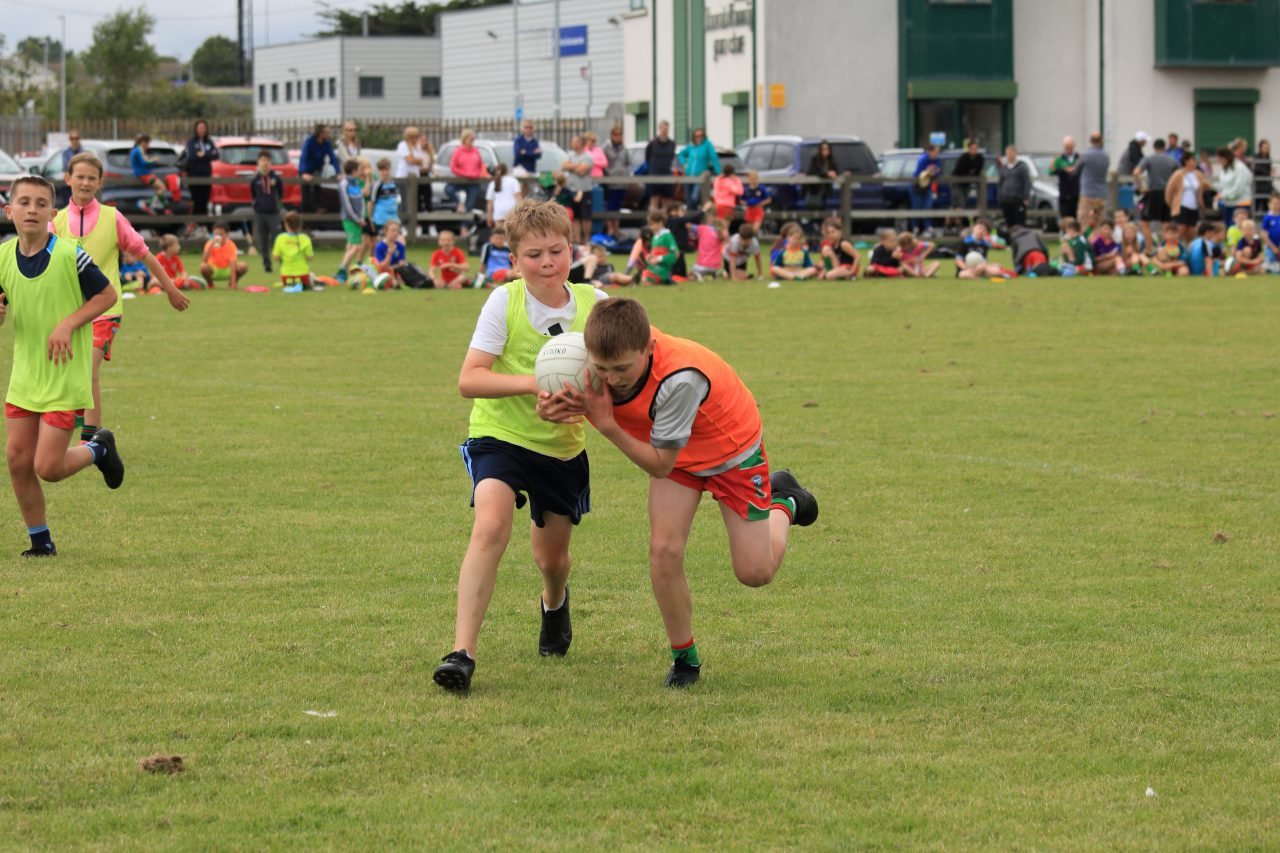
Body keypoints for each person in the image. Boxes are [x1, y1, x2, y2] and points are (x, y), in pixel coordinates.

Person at [540, 297, 817, 687]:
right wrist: (554, 406)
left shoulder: (681, 378)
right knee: (664, 550)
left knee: (755, 573)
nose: (611, 377)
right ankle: (684, 659)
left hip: (730, 449)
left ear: (648, 348)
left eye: (622, 369)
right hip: (677, 455)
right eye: (602, 368)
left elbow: (658, 464)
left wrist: (604, 422)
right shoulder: (592, 357)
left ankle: (784, 501)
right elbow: (569, 389)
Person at [430, 200, 607, 694]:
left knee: (552, 559)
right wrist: (536, 385)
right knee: (490, 526)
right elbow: (469, 379)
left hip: (561, 447)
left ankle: (554, 602)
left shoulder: (597, 304)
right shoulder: (503, 302)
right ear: (513, 259)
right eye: (533, 254)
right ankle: (462, 653)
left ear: (572, 248)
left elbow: (624, 377)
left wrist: (583, 403)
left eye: (556, 250)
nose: (547, 262)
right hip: (499, 436)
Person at [0, 175, 126, 558]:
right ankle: (41, 543)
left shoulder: (71, 255)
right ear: (10, 211)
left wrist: (69, 323)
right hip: (25, 374)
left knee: (49, 468)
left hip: (63, 373)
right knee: (18, 460)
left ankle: (98, 450)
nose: (32, 209)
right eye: (23, 202)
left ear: (52, 213)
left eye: (40, 203)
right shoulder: (2, 256)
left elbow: (107, 294)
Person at [53, 152, 189, 446]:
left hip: (105, 310)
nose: (86, 183)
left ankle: (91, 442)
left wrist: (170, 289)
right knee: (68, 374)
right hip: (69, 314)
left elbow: (145, 254)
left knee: (88, 369)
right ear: (68, 179)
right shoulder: (57, 222)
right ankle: (80, 421)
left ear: (100, 183)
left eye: (92, 178)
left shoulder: (112, 218)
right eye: (80, 177)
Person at [1133, 138, 1178, 247]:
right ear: (1164, 147)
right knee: (1166, 224)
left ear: (1154, 147)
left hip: (1153, 193)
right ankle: (1165, 248)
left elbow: (1136, 172)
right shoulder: (1172, 160)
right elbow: (1179, 175)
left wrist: (1142, 187)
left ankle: (1149, 248)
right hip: (1168, 194)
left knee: (1145, 222)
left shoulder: (1149, 159)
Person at [337, 158, 372, 283]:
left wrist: (361, 217)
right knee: (357, 246)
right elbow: (347, 204)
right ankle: (341, 271)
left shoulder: (355, 183)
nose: (360, 171)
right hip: (350, 219)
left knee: (352, 245)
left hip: (357, 220)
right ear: (353, 171)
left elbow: (361, 199)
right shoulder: (344, 183)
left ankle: (344, 270)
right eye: (358, 169)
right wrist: (357, 219)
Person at [249, 150, 284, 273]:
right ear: (258, 162)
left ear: (271, 163)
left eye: (268, 161)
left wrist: (276, 205)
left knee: (277, 239)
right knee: (263, 240)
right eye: (263, 160)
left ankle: (283, 263)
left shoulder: (276, 178)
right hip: (260, 213)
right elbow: (253, 194)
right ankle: (267, 265)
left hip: (273, 213)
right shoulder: (255, 179)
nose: (265, 163)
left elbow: (281, 193)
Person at [394, 126, 435, 223]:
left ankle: (412, 224)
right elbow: (410, 160)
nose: (417, 138)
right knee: (406, 201)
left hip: (415, 178)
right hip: (404, 177)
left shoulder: (417, 147)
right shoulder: (403, 145)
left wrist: (416, 161)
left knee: (414, 202)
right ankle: (403, 222)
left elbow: (423, 161)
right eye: (416, 136)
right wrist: (416, 161)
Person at [182, 119, 219, 226]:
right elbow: (192, 156)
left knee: (204, 201)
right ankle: (195, 225)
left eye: (204, 128)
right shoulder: (192, 142)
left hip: (206, 175)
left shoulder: (209, 141)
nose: (202, 130)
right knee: (196, 201)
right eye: (200, 128)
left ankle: (204, 225)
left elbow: (215, 155)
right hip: (194, 175)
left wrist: (204, 154)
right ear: (196, 129)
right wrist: (206, 155)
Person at [447, 129, 490, 218]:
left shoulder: (475, 151)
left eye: (473, 139)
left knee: (469, 206)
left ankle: (464, 228)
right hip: (461, 179)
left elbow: (480, 164)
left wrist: (482, 173)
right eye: (470, 139)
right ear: (465, 139)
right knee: (448, 189)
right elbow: (453, 167)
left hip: (474, 181)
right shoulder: (458, 151)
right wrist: (464, 173)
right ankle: (459, 202)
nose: (472, 141)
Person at [299, 124, 340, 214]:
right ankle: (305, 215)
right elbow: (304, 157)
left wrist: (338, 172)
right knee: (306, 192)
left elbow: (332, 158)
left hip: (317, 168)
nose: (329, 135)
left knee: (317, 187)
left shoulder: (327, 143)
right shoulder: (309, 141)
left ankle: (317, 208)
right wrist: (304, 173)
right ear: (320, 134)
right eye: (327, 133)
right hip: (306, 169)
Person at [1165, 151, 1205, 244]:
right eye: (1192, 160)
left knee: (1191, 231)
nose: (1194, 162)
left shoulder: (1198, 174)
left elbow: (1202, 187)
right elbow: (1169, 190)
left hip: (1194, 206)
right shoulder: (1178, 174)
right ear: (1186, 161)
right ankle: (1174, 247)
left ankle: (1188, 249)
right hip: (1182, 205)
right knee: (1181, 229)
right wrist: (1171, 203)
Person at [677, 127, 721, 210]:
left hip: (699, 177)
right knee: (687, 198)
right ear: (693, 137)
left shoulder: (707, 145)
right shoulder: (691, 146)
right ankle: (690, 217)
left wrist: (719, 172)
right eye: (696, 136)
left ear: (704, 136)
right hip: (688, 176)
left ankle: (694, 215)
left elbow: (714, 158)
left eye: (701, 135)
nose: (699, 137)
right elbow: (681, 154)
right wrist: (684, 163)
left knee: (695, 198)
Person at [271, 210, 315, 292]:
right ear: (299, 224)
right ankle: (305, 283)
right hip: (302, 275)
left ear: (286, 224)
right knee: (311, 276)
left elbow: (276, 257)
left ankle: (291, 284)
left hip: (286, 276)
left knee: (289, 282)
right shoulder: (305, 238)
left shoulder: (280, 238)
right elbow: (310, 257)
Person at [563, 136, 595, 245]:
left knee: (586, 216)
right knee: (575, 216)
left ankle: (586, 239)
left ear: (581, 143)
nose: (572, 143)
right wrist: (576, 167)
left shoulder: (588, 157)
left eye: (575, 141)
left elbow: (582, 171)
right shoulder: (570, 155)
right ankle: (577, 239)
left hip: (585, 190)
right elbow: (564, 166)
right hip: (572, 190)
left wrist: (572, 167)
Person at [200, 222, 249, 289]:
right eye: (215, 234)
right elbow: (204, 260)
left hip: (227, 269)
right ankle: (210, 283)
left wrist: (233, 282)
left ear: (227, 234)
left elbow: (233, 263)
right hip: (214, 270)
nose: (217, 236)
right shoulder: (209, 243)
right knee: (203, 267)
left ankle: (232, 283)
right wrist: (211, 246)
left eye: (220, 234)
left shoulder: (230, 245)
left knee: (243, 265)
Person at [602, 126, 631, 236]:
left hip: (622, 181)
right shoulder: (606, 147)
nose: (618, 136)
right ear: (611, 135)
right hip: (611, 182)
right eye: (616, 134)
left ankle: (616, 229)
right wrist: (608, 173)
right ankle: (610, 228)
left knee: (618, 206)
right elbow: (602, 162)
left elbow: (628, 163)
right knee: (610, 206)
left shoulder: (624, 148)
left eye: (620, 134)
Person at [1079, 132, 1110, 231]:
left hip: (1088, 193)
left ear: (1090, 141)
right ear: (1102, 141)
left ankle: (1087, 244)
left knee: (1085, 221)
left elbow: (1075, 169)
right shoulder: (1106, 156)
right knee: (1099, 221)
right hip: (1101, 194)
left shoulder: (1086, 155)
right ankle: (1098, 243)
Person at [645, 120, 678, 213]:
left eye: (667, 129)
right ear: (659, 129)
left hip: (667, 174)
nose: (665, 131)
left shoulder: (672, 144)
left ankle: (666, 223)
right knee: (654, 200)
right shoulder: (652, 143)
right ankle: (653, 222)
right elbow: (647, 158)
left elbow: (673, 158)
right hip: (654, 174)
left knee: (667, 202)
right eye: (663, 128)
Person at [996, 145, 1031, 232]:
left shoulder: (1021, 167)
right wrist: (1000, 198)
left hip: (1018, 199)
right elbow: (1000, 183)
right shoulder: (1003, 168)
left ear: (1015, 154)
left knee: (1019, 222)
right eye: (1008, 153)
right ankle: (1010, 240)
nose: (1009, 155)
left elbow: (1026, 182)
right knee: (1009, 222)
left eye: (1011, 153)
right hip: (1006, 200)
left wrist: (1026, 197)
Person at [639, 211, 679, 285]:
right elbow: (655, 253)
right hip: (653, 267)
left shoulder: (667, 236)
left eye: (652, 225)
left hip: (663, 269)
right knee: (643, 276)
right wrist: (650, 257)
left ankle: (666, 279)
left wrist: (658, 259)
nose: (650, 228)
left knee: (646, 279)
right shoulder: (654, 237)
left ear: (660, 223)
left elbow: (675, 255)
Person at [1216, 146, 1253, 222]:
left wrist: (1223, 195)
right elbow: (1223, 185)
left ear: (1225, 158)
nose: (1219, 162)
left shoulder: (1240, 168)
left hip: (1241, 204)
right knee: (1229, 230)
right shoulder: (1225, 168)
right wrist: (1212, 186)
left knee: (1240, 229)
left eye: (1220, 159)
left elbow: (1238, 189)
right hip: (1228, 204)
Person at [910, 144, 941, 235]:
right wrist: (930, 172)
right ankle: (916, 227)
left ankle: (928, 227)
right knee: (917, 207)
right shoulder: (923, 159)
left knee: (927, 206)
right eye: (935, 152)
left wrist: (933, 173)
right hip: (917, 186)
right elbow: (920, 172)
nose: (937, 154)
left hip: (927, 186)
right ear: (930, 151)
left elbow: (938, 171)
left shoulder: (937, 160)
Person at [952, 138, 986, 217]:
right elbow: (959, 171)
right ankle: (957, 224)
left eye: (976, 148)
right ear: (969, 149)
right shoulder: (963, 158)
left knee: (960, 204)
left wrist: (971, 172)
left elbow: (978, 171)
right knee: (960, 204)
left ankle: (949, 223)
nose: (974, 150)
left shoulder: (980, 158)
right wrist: (970, 172)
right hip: (958, 183)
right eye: (972, 148)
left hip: (967, 184)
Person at [129, 134, 168, 201]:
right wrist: (155, 159)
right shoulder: (139, 149)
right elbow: (145, 162)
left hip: (143, 174)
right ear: (143, 142)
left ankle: (165, 207)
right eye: (148, 144)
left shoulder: (134, 150)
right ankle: (147, 203)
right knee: (162, 188)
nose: (148, 146)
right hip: (145, 175)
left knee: (159, 188)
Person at [1052, 136, 1081, 221]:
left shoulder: (1079, 158)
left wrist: (1074, 170)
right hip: (1064, 195)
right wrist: (1063, 169)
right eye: (1066, 147)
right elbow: (1051, 171)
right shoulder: (1059, 159)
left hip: (1076, 195)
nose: (1068, 149)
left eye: (1070, 147)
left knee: (1076, 220)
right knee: (1066, 220)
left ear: (1074, 146)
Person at [485, 162, 522, 228]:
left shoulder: (493, 183)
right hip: (511, 210)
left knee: (500, 234)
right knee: (510, 235)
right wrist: (521, 211)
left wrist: (489, 216)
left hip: (498, 210)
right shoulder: (513, 181)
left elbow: (489, 203)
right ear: (506, 171)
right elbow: (518, 197)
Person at [371, 220, 408, 287]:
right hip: (382, 273)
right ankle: (393, 283)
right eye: (393, 231)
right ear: (386, 231)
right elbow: (382, 267)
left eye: (397, 231)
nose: (395, 233)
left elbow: (402, 264)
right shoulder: (380, 246)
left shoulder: (400, 246)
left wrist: (393, 268)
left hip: (396, 272)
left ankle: (397, 282)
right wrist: (389, 254)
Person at [805, 140, 839, 210]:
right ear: (820, 150)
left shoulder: (831, 160)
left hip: (825, 189)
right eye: (823, 149)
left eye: (827, 149)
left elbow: (836, 170)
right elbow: (816, 171)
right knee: (813, 207)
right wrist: (827, 173)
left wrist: (834, 173)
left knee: (823, 208)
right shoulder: (815, 159)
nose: (825, 151)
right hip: (815, 189)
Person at [370, 157, 403, 231]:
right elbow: (371, 202)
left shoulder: (395, 184)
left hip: (394, 218)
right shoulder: (377, 185)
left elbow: (398, 200)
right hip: (381, 219)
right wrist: (371, 218)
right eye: (382, 170)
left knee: (399, 240)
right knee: (382, 241)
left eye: (387, 169)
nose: (385, 172)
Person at [1252, 139, 1273, 215]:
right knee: (1257, 204)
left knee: (1267, 203)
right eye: (1264, 147)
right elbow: (1258, 169)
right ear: (1260, 148)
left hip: (1267, 185)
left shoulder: (1268, 158)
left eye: (1267, 148)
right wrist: (1269, 173)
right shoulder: (1257, 157)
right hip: (1259, 186)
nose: (1266, 149)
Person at [1260, 194, 1280, 272]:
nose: (1276, 205)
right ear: (1269, 204)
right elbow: (1264, 234)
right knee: (1270, 266)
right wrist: (1273, 247)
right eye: (1274, 203)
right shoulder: (1267, 218)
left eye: (1278, 203)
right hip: (1270, 248)